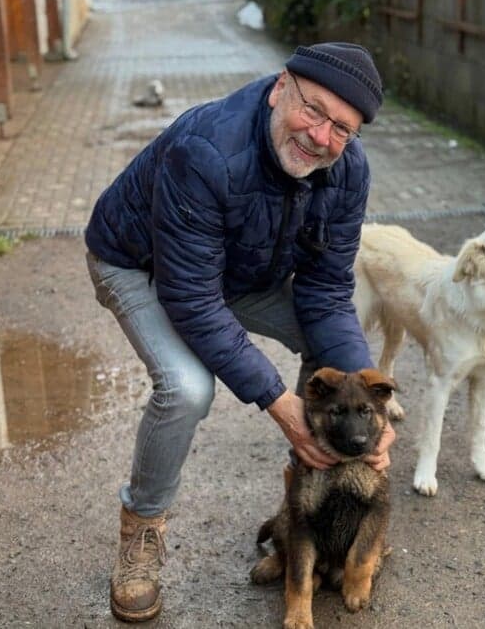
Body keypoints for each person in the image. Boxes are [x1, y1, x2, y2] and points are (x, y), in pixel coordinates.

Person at [84, 42, 396, 621]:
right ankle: (142, 532)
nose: (321, 137)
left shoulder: (348, 171)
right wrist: (280, 405)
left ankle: (310, 505)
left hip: (234, 273)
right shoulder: (205, 150)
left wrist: (366, 409)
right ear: (280, 89)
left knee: (333, 356)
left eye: (342, 129)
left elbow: (327, 291)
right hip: (137, 263)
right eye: (314, 110)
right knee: (186, 388)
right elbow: (193, 299)